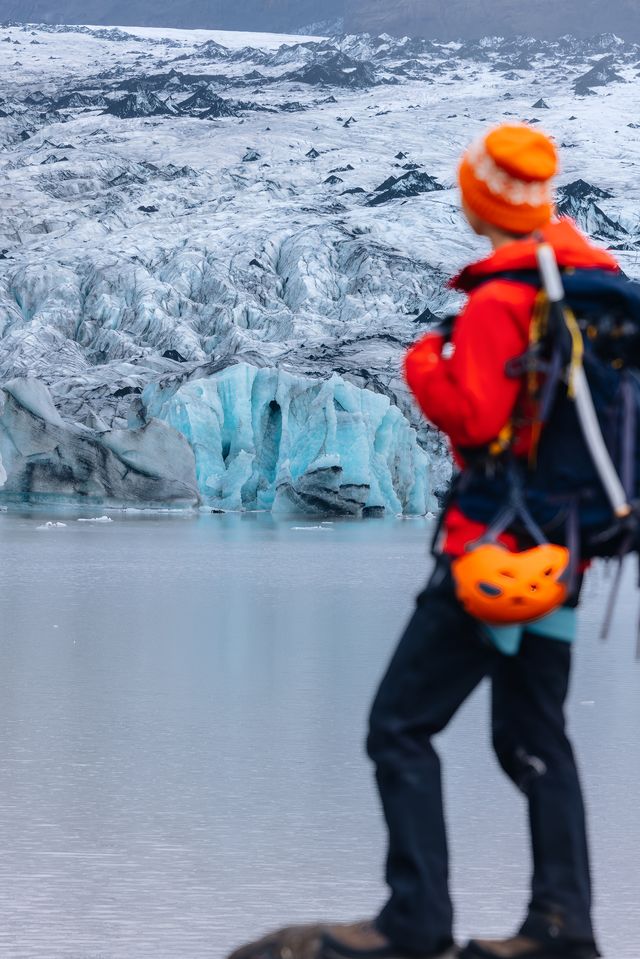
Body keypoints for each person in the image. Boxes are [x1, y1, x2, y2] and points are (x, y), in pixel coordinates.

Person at [317, 124, 615, 959]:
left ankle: (415, 920)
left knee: (399, 725)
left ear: (483, 200)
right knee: (533, 735)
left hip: (490, 549)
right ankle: (565, 923)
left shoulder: (503, 297)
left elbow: (477, 416)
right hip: (563, 553)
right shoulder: (588, 285)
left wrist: (423, 366)